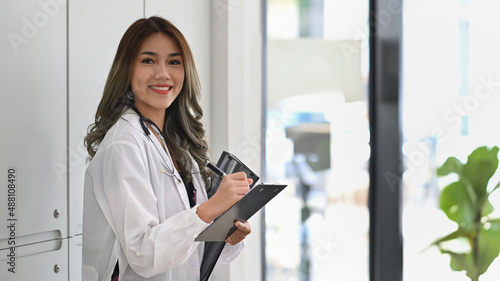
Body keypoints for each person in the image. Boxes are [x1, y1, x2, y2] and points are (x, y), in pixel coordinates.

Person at [82, 16, 252, 281]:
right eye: (148, 60)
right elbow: (143, 254)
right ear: (127, 68)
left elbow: (188, 238)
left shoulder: (176, 144)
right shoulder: (123, 145)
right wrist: (210, 209)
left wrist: (225, 231)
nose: (163, 73)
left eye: (174, 62)